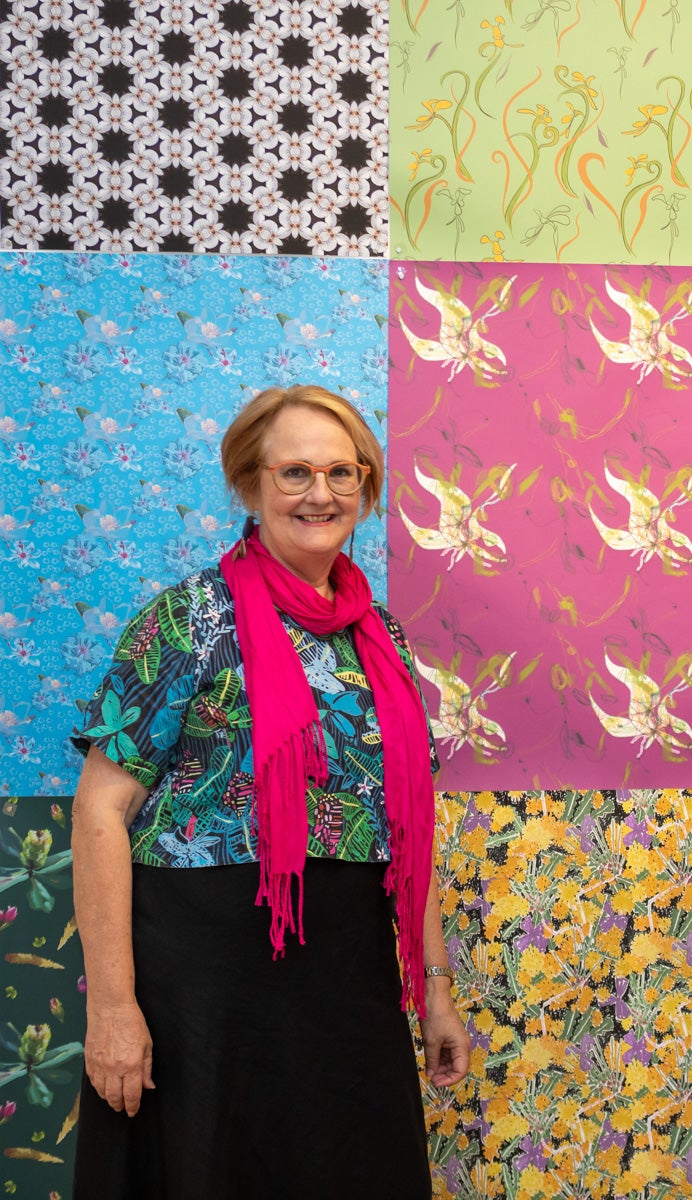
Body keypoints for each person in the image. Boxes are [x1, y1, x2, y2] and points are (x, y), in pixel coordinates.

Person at [68, 385, 469, 1199]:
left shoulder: (381, 638)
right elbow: (99, 811)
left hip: (347, 981)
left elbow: (403, 828)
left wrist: (435, 986)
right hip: (203, 992)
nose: (321, 493)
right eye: (295, 472)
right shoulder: (186, 621)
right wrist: (111, 1008)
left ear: (365, 487)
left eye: (342, 472)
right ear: (250, 485)